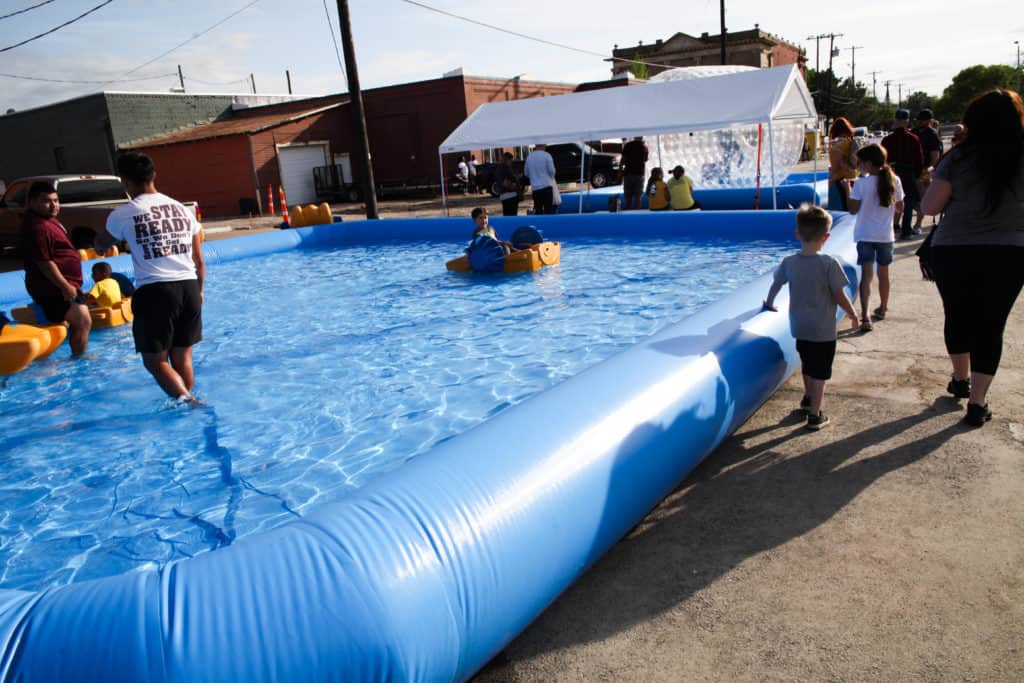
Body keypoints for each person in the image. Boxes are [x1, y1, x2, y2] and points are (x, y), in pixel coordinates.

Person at [921, 88, 1024, 427]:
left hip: (955, 250)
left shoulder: (958, 159)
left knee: (958, 315)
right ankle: (978, 402)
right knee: (991, 325)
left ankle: (959, 378)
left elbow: (931, 207)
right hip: (1010, 252)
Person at [94, 152, 206, 404]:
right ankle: (185, 400)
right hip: (189, 287)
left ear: (124, 181)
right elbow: (199, 260)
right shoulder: (182, 209)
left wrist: (98, 245)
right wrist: (200, 290)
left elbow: (103, 242)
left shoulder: (124, 213)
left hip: (156, 291)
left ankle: (188, 402)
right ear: (154, 175)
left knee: (154, 361)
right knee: (183, 357)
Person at [763, 204, 860, 430]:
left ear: (798, 234)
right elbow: (839, 295)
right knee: (820, 373)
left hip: (800, 327)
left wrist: (768, 304)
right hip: (823, 330)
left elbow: (776, 285)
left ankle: (807, 399)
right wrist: (853, 313)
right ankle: (815, 415)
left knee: (807, 364)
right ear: (826, 236)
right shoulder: (828, 263)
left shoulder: (789, 262)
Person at [19, 180, 91, 355]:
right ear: (32, 202)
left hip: (62, 285)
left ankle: (66, 354)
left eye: (56, 200)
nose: (53, 205)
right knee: (82, 320)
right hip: (54, 286)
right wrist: (64, 286)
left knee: (67, 322)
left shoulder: (47, 221)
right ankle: (79, 359)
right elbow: (45, 262)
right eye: (46, 201)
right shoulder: (38, 227)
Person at [847, 144, 904, 331]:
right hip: (885, 235)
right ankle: (883, 308)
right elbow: (900, 207)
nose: (858, 166)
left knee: (866, 276)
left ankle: (864, 317)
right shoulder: (894, 179)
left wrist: (848, 190)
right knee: (884, 274)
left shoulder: (861, 183)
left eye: (860, 162)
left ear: (868, 163)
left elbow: (853, 209)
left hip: (865, 234)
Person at [881, 109, 925, 238]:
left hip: (892, 172)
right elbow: (919, 159)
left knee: (891, 200)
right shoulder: (913, 139)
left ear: (895, 120)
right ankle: (906, 229)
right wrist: (916, 174)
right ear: (907, 122)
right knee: (909, 203)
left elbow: (883, 159)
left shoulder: (887, 140)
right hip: (908, 172)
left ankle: (891, 228)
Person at [827, 117, 859, 211]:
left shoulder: (837, 145)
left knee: (843, 209)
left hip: (841, 180)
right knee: (853, 207)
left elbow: (836, 166)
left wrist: (831, 179)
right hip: (853, 176)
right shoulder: (851, 141)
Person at [523, 144, 557, 215]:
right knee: (549, 210)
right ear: (543, 146)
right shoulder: (547, 155)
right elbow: (552, 171)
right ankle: (548, 225)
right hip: (547, 186)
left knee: (538, 210)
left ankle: (540, 225)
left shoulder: (529, 157)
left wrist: (533, 176)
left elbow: (526, 173)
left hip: (535, 188)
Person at [621, 136, 649, 210]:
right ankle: (637, 214)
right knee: (638, 197)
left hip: (628, 173)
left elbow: (623, 159)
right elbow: (645, 159)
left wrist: (620, 170)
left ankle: (627, 212)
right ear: (642, 137)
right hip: (639, 174)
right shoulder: (644, 147)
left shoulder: (628, 145)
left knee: (628, 197)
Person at [495, 152, 520, 216]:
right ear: (508, 160)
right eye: (511, 160)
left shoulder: (498, 168)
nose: (511, 162)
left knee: (506, 215)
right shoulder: (506, 168)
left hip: (503, 196)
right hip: (511, 195)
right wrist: (515, 182)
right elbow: (507, 182)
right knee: (513, 215)